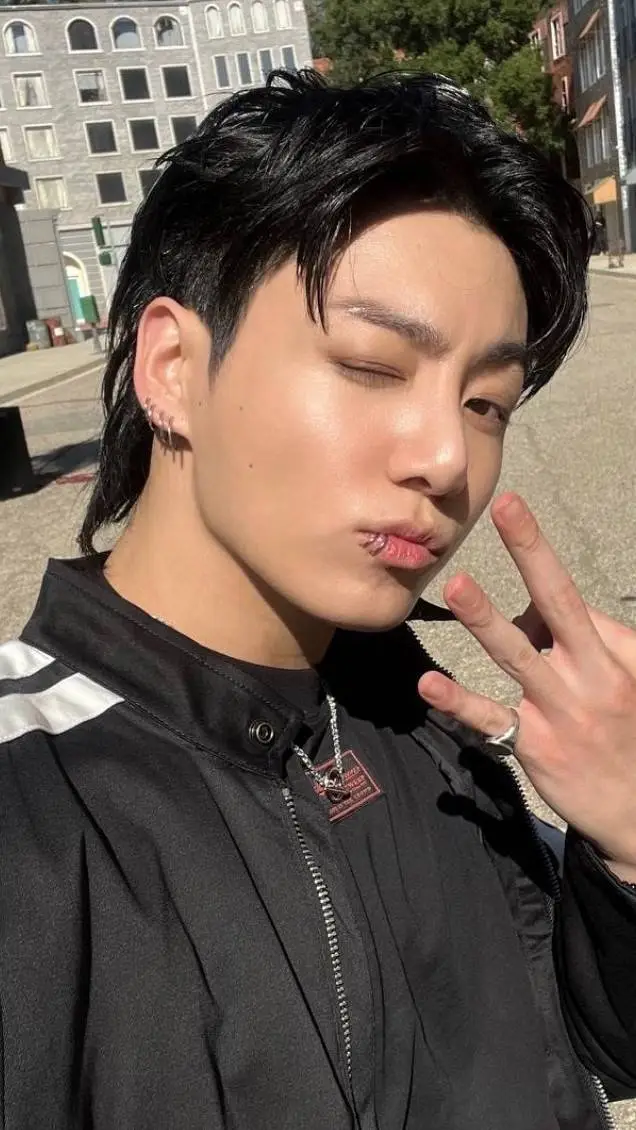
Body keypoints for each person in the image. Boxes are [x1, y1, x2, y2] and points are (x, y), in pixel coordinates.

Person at [1, 70, 635, 1130]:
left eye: (487, 402)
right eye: (374, 365)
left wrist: (624, 844)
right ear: (171, 367)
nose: (448, 457)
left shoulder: (426, 725)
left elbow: (582, 1045)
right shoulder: (32, 811)